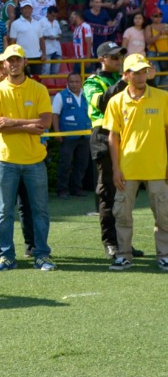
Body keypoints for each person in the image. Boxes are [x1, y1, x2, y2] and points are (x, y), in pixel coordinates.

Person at [0, 44, 55, 271]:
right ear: (4, 65)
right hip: (5, 158)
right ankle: (6, 256)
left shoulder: (38, 89)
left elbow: (45, 123)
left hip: (34, 159)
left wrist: (11, 122)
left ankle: (41, 254)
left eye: (17, 60)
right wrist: (27, 125)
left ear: (25, 62)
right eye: (10, 61)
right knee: (5, 211)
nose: (14, 64)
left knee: (39, 210)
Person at [103, 53, 168, 271]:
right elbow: (113, 137)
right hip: (127, 168)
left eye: (144, 72)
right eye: (136, 73)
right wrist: (115, 168)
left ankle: (165, 255)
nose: (141, 77)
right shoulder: (115, 101)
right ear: (126, 75)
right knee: (122, 214)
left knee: (164, 214)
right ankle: (123, 255)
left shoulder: (163, 97)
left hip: (158, 167)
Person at [84, 41, 129, 258]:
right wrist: (123, 82)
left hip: (127, 136)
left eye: (120, 57)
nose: (118, 61)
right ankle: (110, 243)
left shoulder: (128, 81)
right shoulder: (92, 82)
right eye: (113, 57)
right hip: (103, 135)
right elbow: (102, 103)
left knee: (125, 193)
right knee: (108, 192)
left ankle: (124, 242)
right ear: (102, 59)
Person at [51, 72, 91, 199]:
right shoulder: (61, 96)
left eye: (77, 81)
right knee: (65, 164)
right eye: (72, 82)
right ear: (67, 83)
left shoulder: (87, 95)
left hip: (85, 135)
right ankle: (62, 189)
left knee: (82, 164)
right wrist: (57, 132)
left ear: (81, 82)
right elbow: (55, 114)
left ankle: (76, 188)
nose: (74, 84)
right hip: (68, 136)